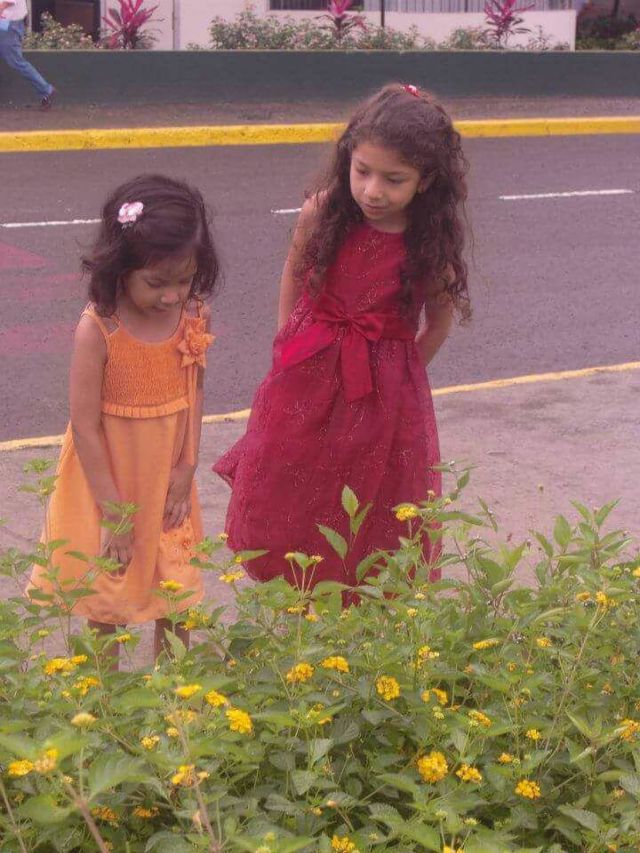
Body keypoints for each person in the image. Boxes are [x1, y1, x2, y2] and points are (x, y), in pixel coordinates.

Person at [214, 83, 470, 595]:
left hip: (383, 397)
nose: (373, 191)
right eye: (362, 171)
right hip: (306, 374)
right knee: (297, 478)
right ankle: (298, 589)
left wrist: (399, 378)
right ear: (347, 158)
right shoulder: (323, 212)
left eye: (394, 180)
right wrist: (287, 345)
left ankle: (355, 602)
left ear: (426, 180)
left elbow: (438, 324)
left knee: (369, 496)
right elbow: (294, 275)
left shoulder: (428, 242)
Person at [29, 174, 219, 663]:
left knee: (177, 591)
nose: (172, 296)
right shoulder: (99, 330)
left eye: (184, 280)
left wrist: (187, 467)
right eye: (157, 283)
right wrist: (115, 512)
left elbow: (194, 391)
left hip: (168, 479)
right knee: (108, 595)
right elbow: (85, 426)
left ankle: (175, 691)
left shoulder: (194, 314)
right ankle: (104, 696)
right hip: (110, 484)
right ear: (120, 266)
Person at [0, 0, 56, 108]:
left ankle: (46, 90)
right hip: (5, 23)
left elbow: (6, 3)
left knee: (16, 61)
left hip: (8, 25)